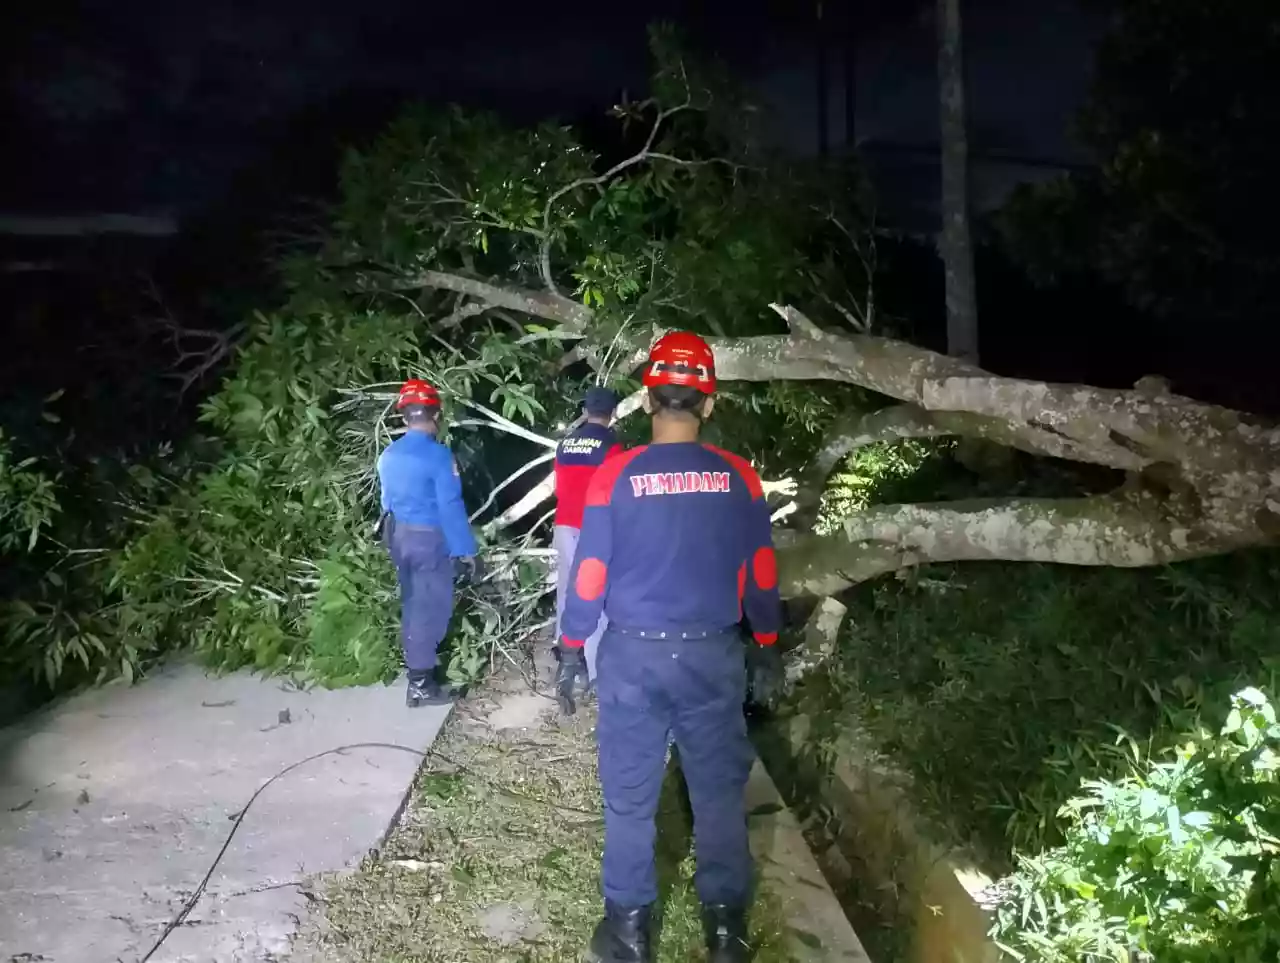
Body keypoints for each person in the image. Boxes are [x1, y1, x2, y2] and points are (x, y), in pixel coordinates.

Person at [557, 332, 784, 963]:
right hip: (713, 655)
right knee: (716, 792)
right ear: (708, 406)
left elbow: (592, 573)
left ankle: (629, 935)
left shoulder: (614, 475)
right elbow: (760, 571)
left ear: (649, 399)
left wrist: (573, 647)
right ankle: (725, 935)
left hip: (633, 657)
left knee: (629, 795)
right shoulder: (739, 477)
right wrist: (766, 642)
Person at [376, 378, 482, 708]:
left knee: (412, 603)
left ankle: (419, 671)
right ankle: (420, 683)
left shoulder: (388, 454)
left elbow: (386, 502)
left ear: (405, 416)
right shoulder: (438, 456)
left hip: (400, 536)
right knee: (430, 608)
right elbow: (450, 506)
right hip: (428, 540)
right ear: (435, 415)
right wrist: (467, 551)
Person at [552, 385, 623, 713]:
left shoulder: (565, 443)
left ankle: (567, 657)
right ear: (612, 413)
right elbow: (617, 492)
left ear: (586, 410)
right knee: (596, 596)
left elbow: (559, 486)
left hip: (564, 524)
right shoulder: (611, 446)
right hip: (595, 527)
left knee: (568, 592)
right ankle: (596, 673)